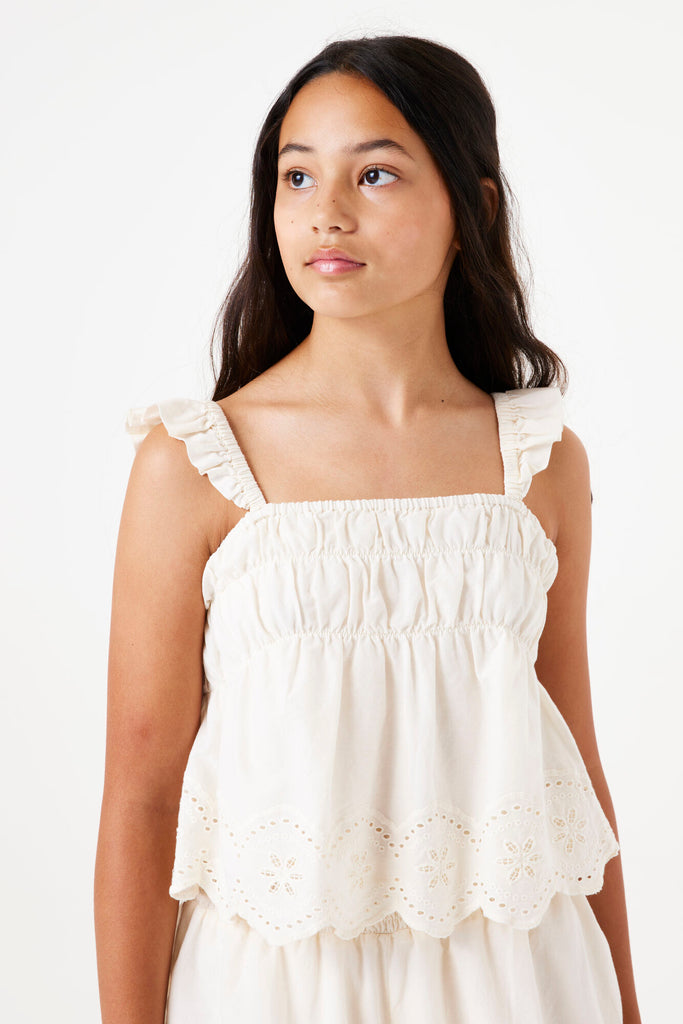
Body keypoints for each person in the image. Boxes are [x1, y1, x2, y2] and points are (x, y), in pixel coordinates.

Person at [94, 33, 642, 1024]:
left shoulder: (539, 463)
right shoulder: (196, 463)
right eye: (296, 175)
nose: (326, 212)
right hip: (272, 988)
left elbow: (576, 773)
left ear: (474, 208)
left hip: (518, 981)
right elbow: (141, 797)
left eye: (375, 173)